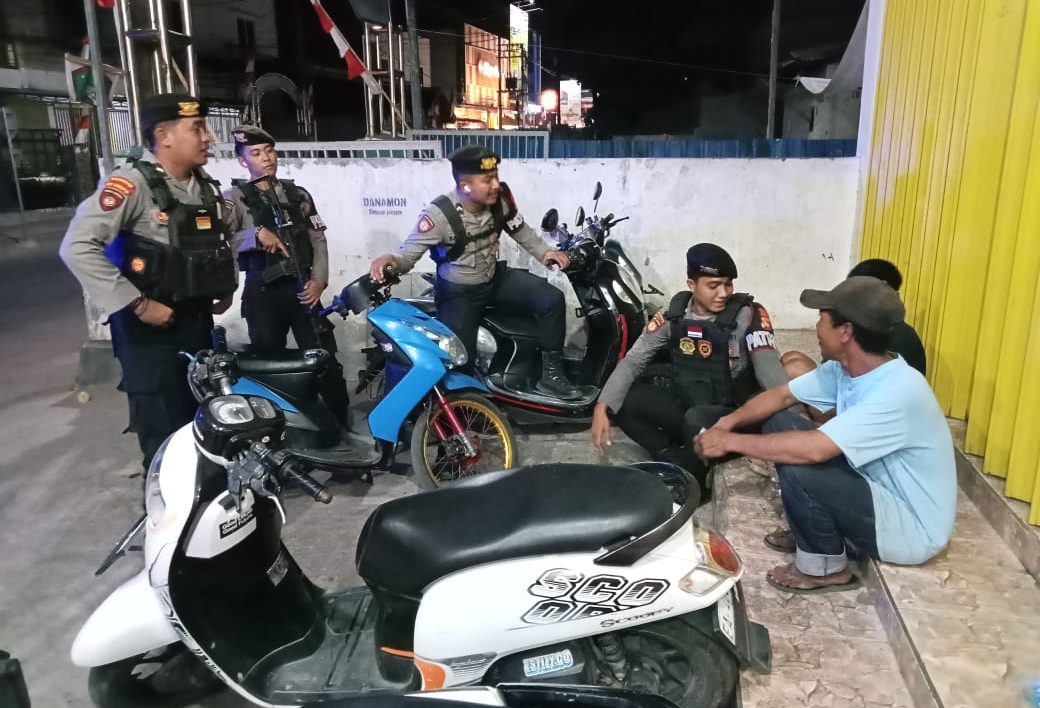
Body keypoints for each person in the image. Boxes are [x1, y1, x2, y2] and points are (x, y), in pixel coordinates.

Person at [694, 276, 956, 594]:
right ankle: (817, 528)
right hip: (873, 490)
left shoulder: (896, 391)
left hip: (910, 529)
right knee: (779, 422)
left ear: (845, 331)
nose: (816, 326)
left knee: (802, 466)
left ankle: (825, 570)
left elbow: (814, 450)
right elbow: (782, 396)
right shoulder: (846, 369)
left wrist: (729, 442)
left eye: (822, 317)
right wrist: (727, 423)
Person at [59, 93, 238, 468]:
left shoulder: (203, 185)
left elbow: (217, 241)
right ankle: (162, 501)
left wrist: (224, 286)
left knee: (201, 426)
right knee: (164, 436)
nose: (208, 137)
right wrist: (138, 304)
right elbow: (76, 247)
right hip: (150, 336)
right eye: (197, 128)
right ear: (164, 135)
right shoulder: (132, 184)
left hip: (197, 325)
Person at [369, 145, 578, 399]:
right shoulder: (440, 216)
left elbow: (520, 229)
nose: (496, 185)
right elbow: (407, 256)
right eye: (488, 180)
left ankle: (551, 377)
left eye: (496, 176)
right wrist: (390, 260)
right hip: (459, 294)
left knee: (551, 299)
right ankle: (463, 408)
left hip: (494, 279)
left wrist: (545, 252)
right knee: (459, 360)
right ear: (465, 186)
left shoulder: (500, 201)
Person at [590, 243, 788, 497]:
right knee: (625, 398)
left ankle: (695, 488)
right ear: (692, 285)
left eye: (728, 284)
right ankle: (672, 456)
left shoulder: (748, 316)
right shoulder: (674, 315)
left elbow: (772, 377)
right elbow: (633, 361)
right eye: (714, 285)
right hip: (689, 404)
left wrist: (790, 433)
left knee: (696, 418)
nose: (723, 293)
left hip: (733, 414)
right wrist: (602, 406)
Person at [222, 125, 351, 429]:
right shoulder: (235, 199)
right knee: (270, 364)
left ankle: (340, 426)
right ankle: (278, 429)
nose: (266, 158)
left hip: (303, 290)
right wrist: (255, 234)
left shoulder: (298, 195)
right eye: (256, 153)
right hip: (263, 294)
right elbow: (222, 241)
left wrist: (319, 280)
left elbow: (317, 238)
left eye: (269, 151)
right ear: (242, 161)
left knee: (325, 360)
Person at [782, 258, 926, 379]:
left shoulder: (892, 335)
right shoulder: (869, 324)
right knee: (792, 358)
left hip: (859, 395)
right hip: (850, 385)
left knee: (795, 369)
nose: (817, 326)